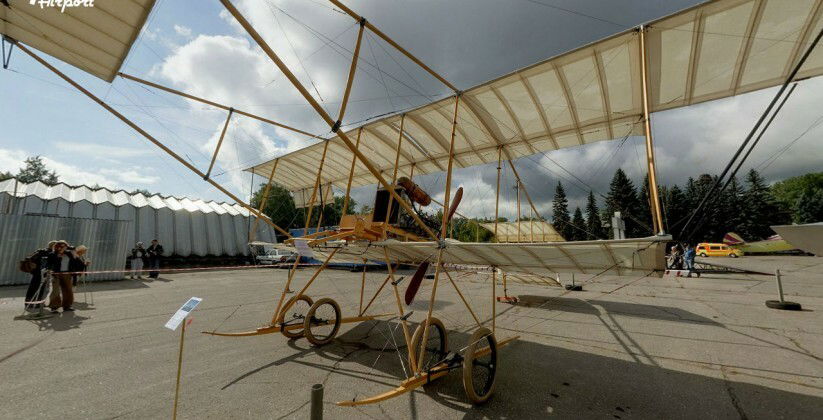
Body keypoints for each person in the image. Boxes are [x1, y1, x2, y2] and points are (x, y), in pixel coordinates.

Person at [23, 240, 56, 311]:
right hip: (43, 273)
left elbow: (31, 259)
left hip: (37, 273)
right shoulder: (50, 253)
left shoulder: (40, 251)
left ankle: (30, 303)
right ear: (53, 246)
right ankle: (38, 303)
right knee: (42, 289)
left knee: (33, 288)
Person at [48, 240, 77, 313]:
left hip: (67, 273)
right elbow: (50, 263)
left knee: (68, 290)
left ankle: (67, 306)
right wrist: (59, 256)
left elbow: (74, 261)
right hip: (56, 274)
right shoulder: (52, 254)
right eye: (63, 246)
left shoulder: (68, 254)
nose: (65, 248)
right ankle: (54, 307)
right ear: (58, 247)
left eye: (65, 246)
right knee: (55, 291)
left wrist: (74, 254)